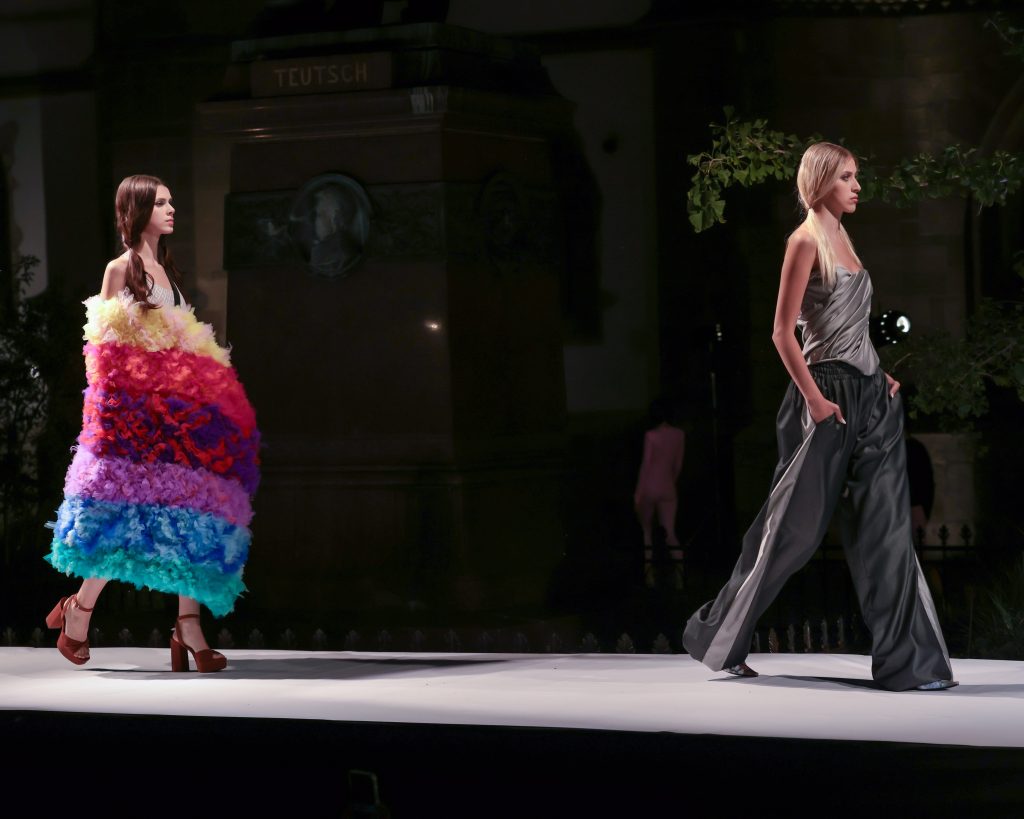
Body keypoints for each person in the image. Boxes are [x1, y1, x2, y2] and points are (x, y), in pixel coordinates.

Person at [682, 142, 957, 691]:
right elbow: (783, 334)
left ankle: (911, 666)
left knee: (888, 527)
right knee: (795, 530)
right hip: (824, 397)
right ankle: (718, 639)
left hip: (872, 395)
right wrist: (812, 399)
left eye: (858, 176)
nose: (857, 186)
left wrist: (881, 375)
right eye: (847, 177)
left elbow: (851, 327)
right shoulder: (804, 241)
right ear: (821, 181)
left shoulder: (844, 239)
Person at [44, 174, 260, 672]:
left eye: (172, 201)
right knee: (119, 512)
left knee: (194, 510)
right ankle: (79, 611)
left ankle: (188, 624)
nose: (171, 209)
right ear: (137, 210)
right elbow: (102, 352)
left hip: (180, 416)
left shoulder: (168, 272)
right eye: (161, 202)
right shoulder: (120, 270)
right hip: (136, 417)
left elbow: (183, 347)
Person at [634, 397, 685, 587]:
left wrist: (638, 492)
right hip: (668, 487)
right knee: (671, 533)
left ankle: (650, 577)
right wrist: (671, 481)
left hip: (649, 487)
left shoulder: (651, 436)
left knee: (646, 532)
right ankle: (680, 578)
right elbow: (677, 465)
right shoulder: (679, 435)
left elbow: (646, 466)